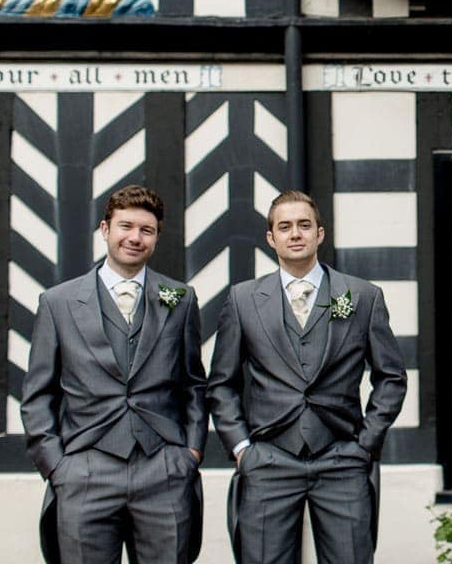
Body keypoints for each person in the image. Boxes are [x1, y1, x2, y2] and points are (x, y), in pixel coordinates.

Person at [207, 190, 407, 564]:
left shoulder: (363, 297)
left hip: (343, 458)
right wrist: (241, 448)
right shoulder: (243, 300)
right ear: (271, 238)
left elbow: (391, 377)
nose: (295, 233)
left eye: (304, 225)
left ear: (320, 233)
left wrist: (366, 443)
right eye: (285, 227)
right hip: (268, 459)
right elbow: (221, 383)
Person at [21, 184, 207, 564]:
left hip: (164, 469)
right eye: (126, 226)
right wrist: (58, 466)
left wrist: (189, 452)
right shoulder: (58, 303)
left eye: (146, 230)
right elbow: (38, 395)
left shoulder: (180, 298)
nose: (135, 238)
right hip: (84, 470)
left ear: (156, 236)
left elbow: (193, 383)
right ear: (105, 229)